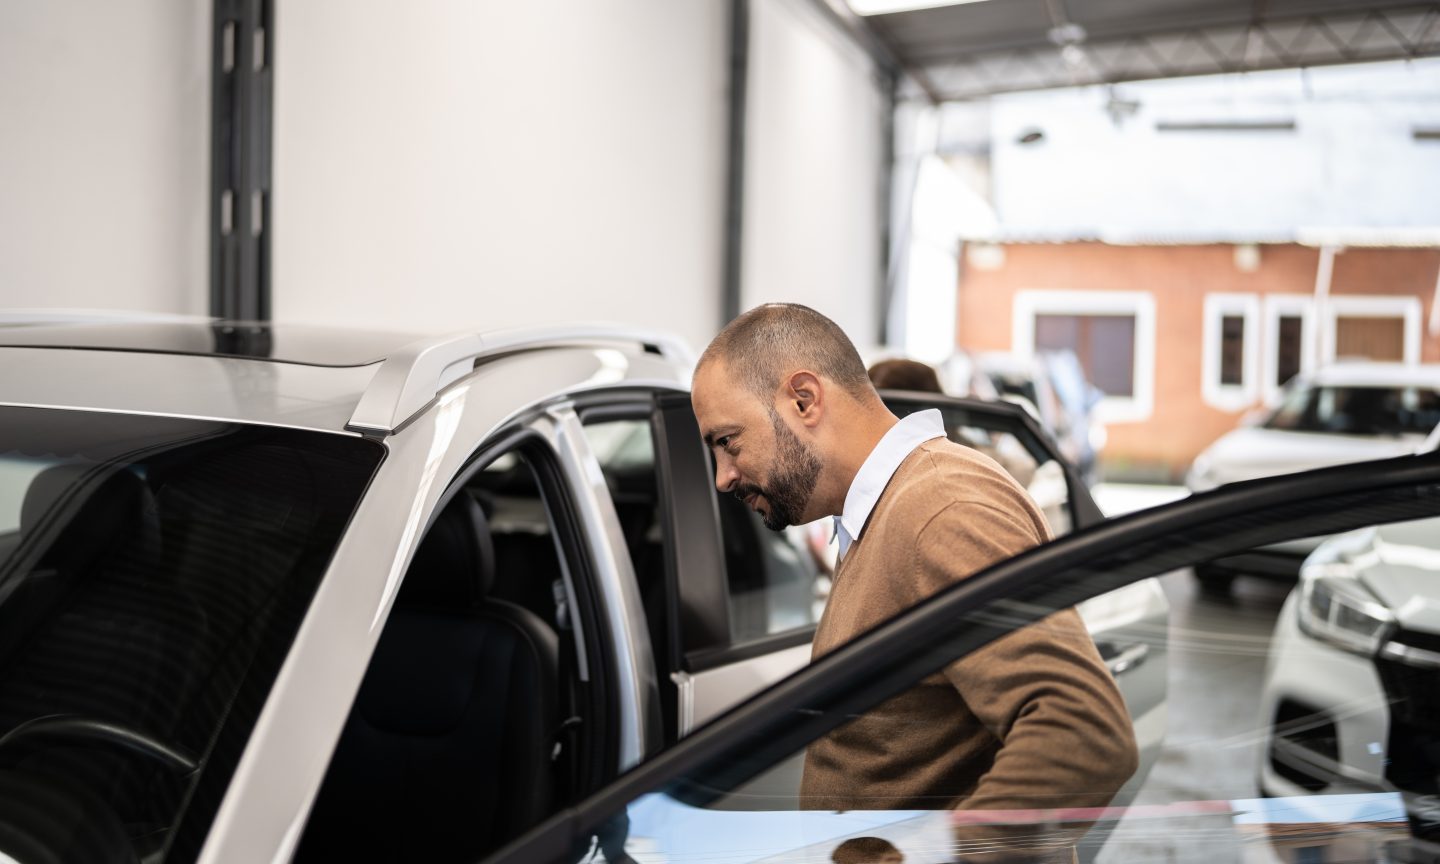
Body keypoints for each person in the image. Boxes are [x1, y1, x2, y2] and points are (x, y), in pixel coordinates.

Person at [690, 304, 1137, 845]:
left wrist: (939, 857)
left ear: (804, 399)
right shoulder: (886, 509)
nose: (723, 477)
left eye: (727, 441)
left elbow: (1083, 737)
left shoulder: (941, 511)